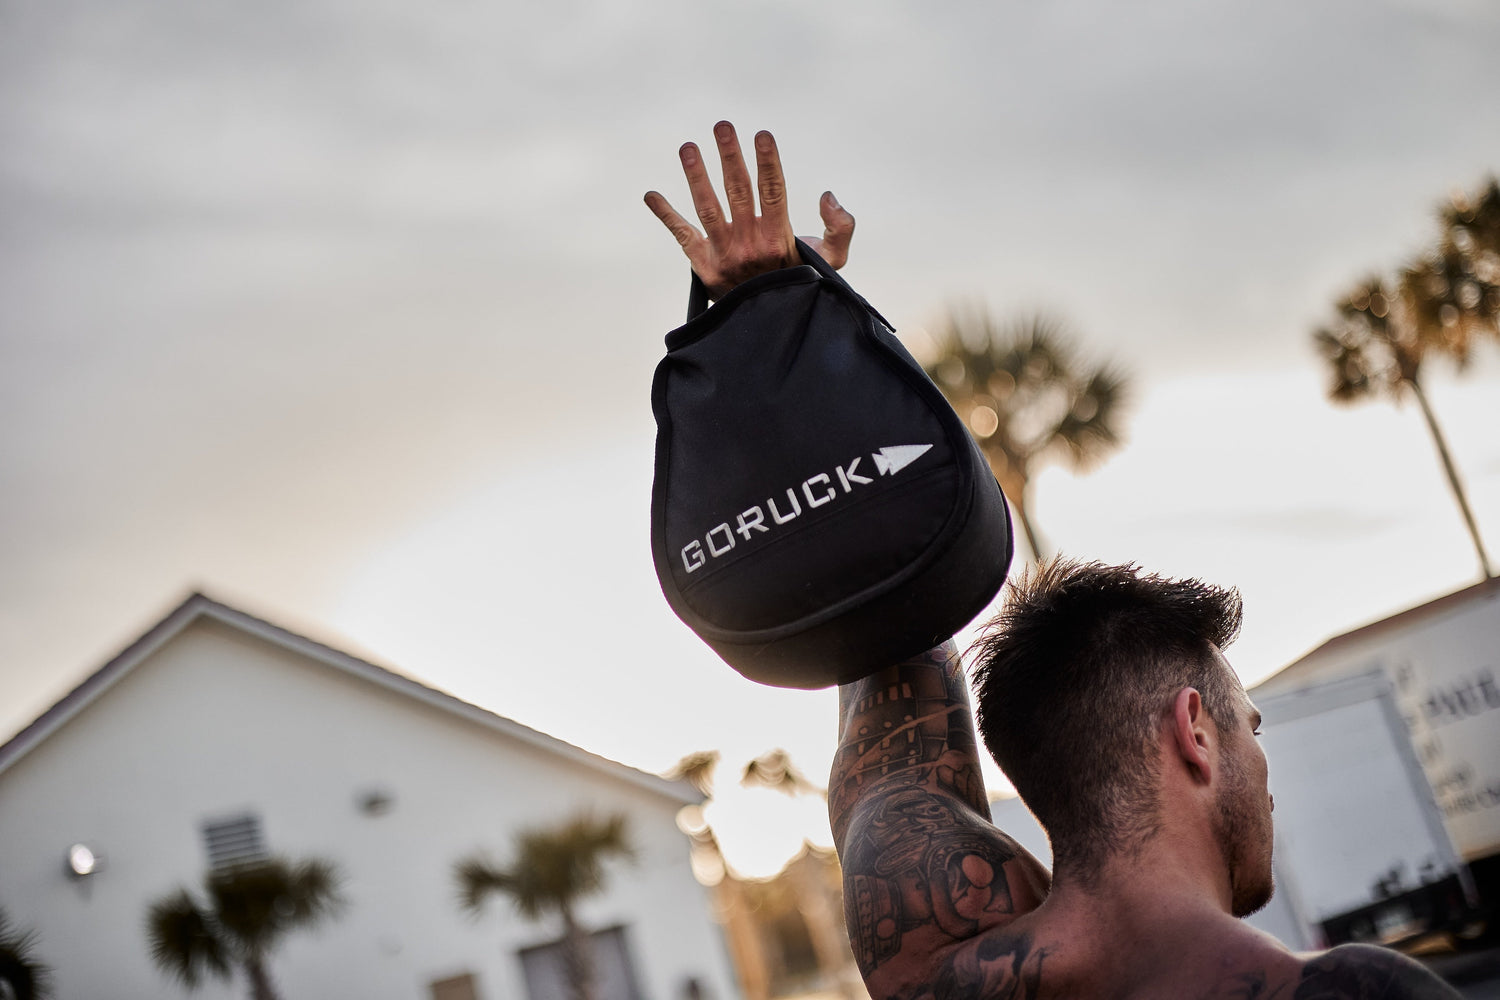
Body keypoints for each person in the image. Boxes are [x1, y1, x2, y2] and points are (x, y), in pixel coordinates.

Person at [645, 122, 1462, 1000]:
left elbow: (880, 638)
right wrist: (800, 317)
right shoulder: (1356, 994)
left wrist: (782, 332)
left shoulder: (942, 966)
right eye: (1248, 729)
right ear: (1193, 730)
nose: (1265, 775)